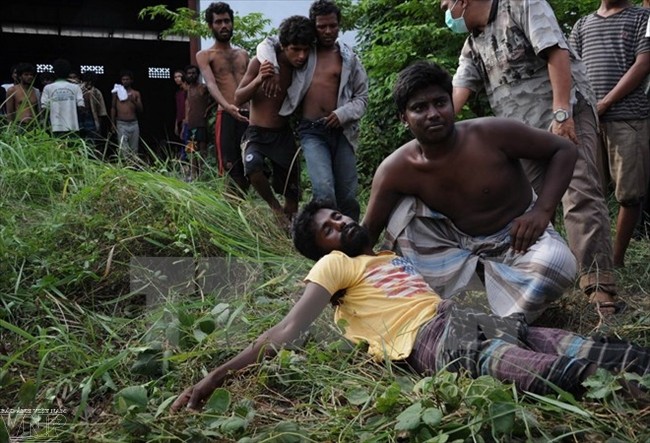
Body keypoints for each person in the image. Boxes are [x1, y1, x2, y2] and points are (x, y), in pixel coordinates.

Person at [170, 199, 650, 412]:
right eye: (328, 230)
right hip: (429, 339)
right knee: (539, 369)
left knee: (583, 347)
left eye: (338, 216)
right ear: (322, 250)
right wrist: (215, 377)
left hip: (466, 318)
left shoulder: (387, 257)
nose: (340, 225)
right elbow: (286, 331)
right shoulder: (335, 266)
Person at [362, 61, 578, 322]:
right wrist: (337, 271)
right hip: (452, 248)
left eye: (440, 103)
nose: (433, 114)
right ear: (404, 118)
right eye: (419, 108)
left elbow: (563, 149)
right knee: (401, 213)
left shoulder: (492, 133)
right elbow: (368, 233)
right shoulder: (396, 169)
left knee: (559, 264)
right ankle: (430, 312)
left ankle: (508, 321)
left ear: (452, 104)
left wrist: (542, 211)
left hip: (519, 239)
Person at [442, 0, 620, 316]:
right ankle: (541, 291)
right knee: (529, 207)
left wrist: (563, 112)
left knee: (579, 198)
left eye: (445, 4)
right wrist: (435, 134)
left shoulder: (522, 5)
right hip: (524, 138)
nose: (445, 13)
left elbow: (556, 52)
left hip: (565, 116)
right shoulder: (474, 43)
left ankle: (600, 291)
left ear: (462, 1)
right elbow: (459, 89)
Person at [256, 0, 368, 220]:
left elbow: (362, 98)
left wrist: (343, 113)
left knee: (347, 194)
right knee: (324, 190)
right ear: (313, 26)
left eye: (333, 26)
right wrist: (272, 68)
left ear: (339, 25)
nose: (328, 31)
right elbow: (266, 43)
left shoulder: (349, 57)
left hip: (343, 131)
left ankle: (353, 240)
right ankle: (325, 243)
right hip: (312, 131)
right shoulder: (305, 51)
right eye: (322, 26)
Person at [569, 1, 650, 268]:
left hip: (628, 119)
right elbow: (569, 68)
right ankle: (593, 261)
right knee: (590, 193)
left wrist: (605, 103)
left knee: (629, 193)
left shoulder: (644, 17)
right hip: (588, 121)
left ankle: (616, 260)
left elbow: (643, 64)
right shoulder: (582, 25)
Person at [234, 15, 315, 223]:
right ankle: (274, 208)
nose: (301, 56)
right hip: (257, 132)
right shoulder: (262, 62)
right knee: (253, 167)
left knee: (292, 194)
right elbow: (238, 97)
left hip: (283, 134)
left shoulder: (302, 71)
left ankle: (289, 234)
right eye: (295, 49)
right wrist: (260, 78)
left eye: (305, 49)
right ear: (283, 46)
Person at [197, 2, 250, 194]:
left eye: (227, 21)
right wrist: (227, 106)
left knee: (252, 167)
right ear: (211, 26)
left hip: (248, 117)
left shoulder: (243, 54)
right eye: (218, 22)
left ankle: (246, 208)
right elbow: (211, 83)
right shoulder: (205, 55)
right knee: (230, 168)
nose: (224, 26)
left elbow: (252, 83)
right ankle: (231, 211)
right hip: (226, 117)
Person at [41, 59, 85, 136]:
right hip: (72, 128)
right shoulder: (76, 87)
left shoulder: (48, 88)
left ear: (54, 72)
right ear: (68, 72)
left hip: (54, 128)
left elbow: (44, 109)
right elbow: (81, 107)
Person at [184, 64, 212, 180]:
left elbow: (215, 99)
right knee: (191, 150)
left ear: (198, 74)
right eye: (189, 73)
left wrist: (207, 111)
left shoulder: (203, 88)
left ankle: (202, 174)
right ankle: (193, 174)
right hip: (191, 124)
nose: (191, 75)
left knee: (202, 150)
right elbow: (188, 106)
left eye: (193, 73)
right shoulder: (188, 89)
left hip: (202, 124)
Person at [111, 70, 143, 159]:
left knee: (134, 149)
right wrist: (112, 123)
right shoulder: (117, 92)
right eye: (123, 79)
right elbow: (113, 107)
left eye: (127, 79)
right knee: (123, 149)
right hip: (121, 123)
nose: (125, 81)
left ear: (131, 80)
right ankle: (125, 168)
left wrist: (133, 101)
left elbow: (141, 110)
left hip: (133, 123)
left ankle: (132, 168)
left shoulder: (136, 93)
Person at [79, 71, 108, 149]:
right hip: (79, 119)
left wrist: (98, 126)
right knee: (79, 142)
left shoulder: (97, 92)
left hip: (91, 119)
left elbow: (101, 112)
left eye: (90, 81)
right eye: (87, 80)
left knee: (90, 143)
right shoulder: (78, 90)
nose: (88, 83)